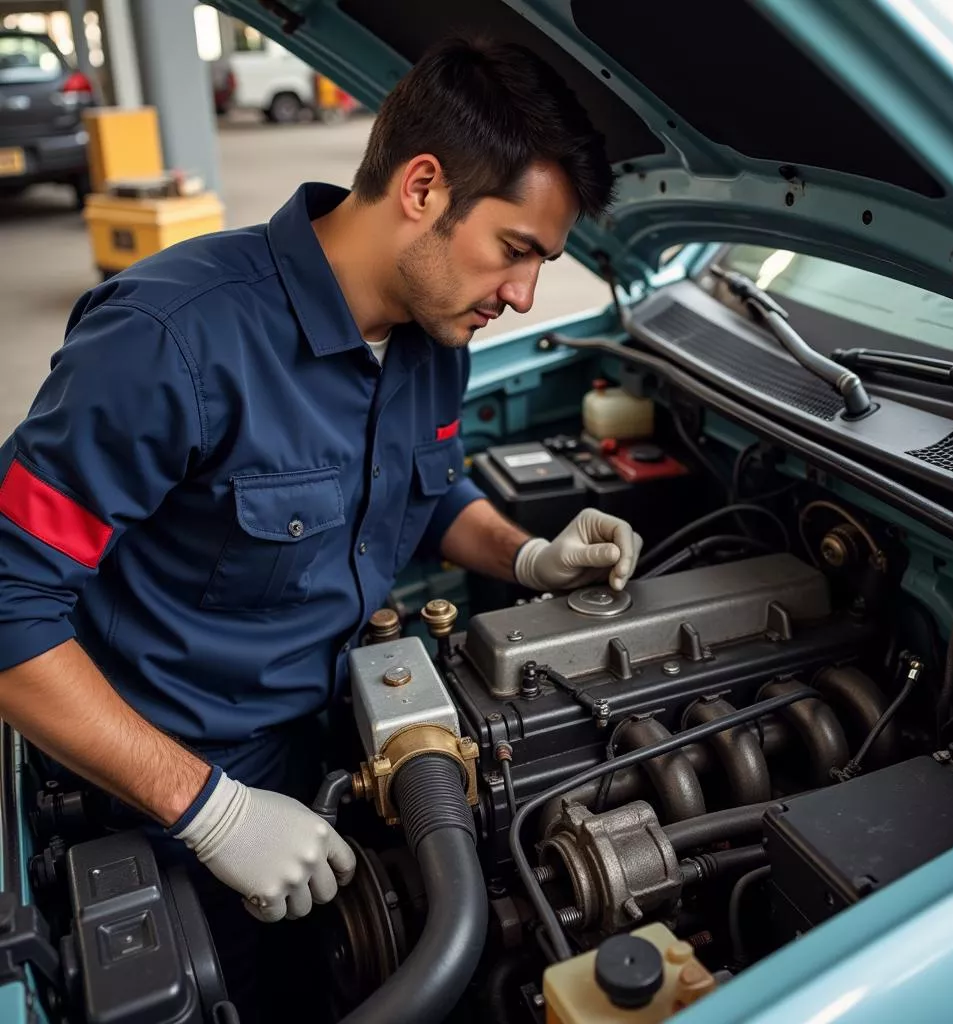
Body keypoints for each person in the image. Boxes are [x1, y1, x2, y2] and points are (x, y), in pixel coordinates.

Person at [0, 35, 642, 1020]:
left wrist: (523, 553)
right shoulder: (169, 341)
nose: (522, 295)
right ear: (422, 188)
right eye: (516, 251)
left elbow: (422, 491)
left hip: (338, 741)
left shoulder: (433, 339)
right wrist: (207, 809)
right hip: (167, 785)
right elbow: (8, 605)